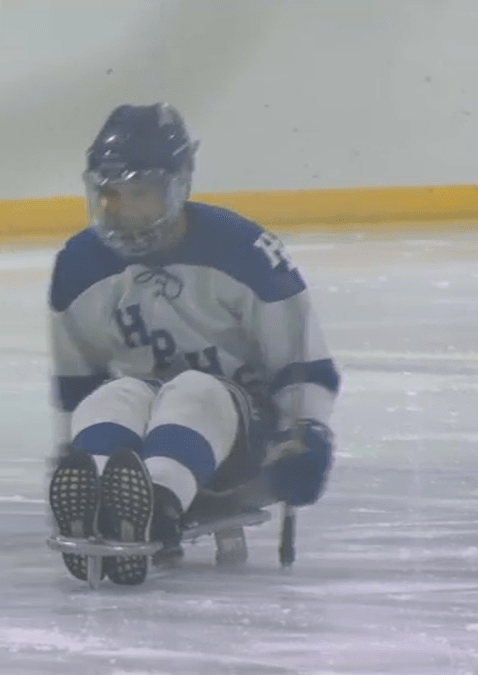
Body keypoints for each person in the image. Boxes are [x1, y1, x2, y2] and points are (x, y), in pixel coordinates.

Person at [46, 103, 340, 585]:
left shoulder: (245, 252)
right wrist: (69, 452)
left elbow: (302, 363)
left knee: (196, 391)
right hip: (144, 434)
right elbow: (76, 385)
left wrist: (307, 433)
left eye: (139, 193)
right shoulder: (79, 264)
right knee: (112, 396)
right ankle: (104, 502)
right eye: (110, 194)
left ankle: (155, 509)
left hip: (244, 445)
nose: (121, 210)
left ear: (177, 186)